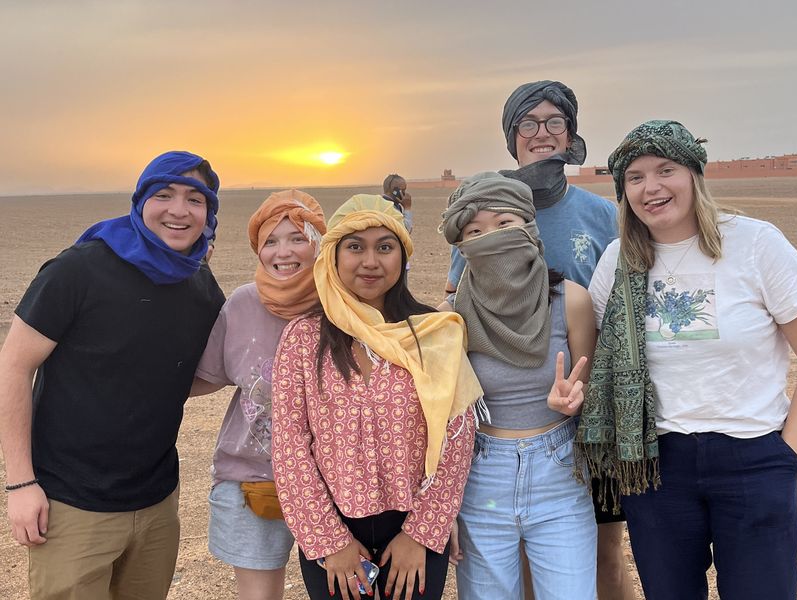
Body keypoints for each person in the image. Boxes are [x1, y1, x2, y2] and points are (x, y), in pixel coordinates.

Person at [577, 120, 797, 599]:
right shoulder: (618, 259)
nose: (650, 188)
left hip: (754, 455)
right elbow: (596, 358)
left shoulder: (755, 244)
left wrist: (790, 449)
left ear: (695, 175)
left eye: (665, 169)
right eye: (634, 177)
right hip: (656, 464)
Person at [0, 151, 225, 599]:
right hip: (70, 502)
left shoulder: (200, 283)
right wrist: (21, 484)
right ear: (141, 201)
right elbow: (14, 366)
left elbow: (210, 369)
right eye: (164, 194)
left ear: (209, 212)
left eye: (195, 200)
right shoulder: (78, 269)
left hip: (157, 502)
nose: (179, 210)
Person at [443, 80, 634, 600]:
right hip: (502, 438)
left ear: (571, 134)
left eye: (554, 122)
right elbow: (461, 305)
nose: (542, 133)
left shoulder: (600, 216)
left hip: (585, 421)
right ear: (513, 137)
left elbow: (620, 314)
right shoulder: (486, 211)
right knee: (522, 561)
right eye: (528, 123)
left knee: (603, 557)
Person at [271, 195, 482, 600]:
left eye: (385, 247)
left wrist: (420, 533)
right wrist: (329, 543)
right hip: (333, 535)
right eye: (355, 247)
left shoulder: (432, 334)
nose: (370, 261)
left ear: (402, 257)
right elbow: (290, 447)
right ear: (333, 257)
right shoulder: (303, 339)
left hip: (413, 531)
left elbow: (456, 437)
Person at [439, 173, 598, 599]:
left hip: (561, 474)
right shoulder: (451, 316)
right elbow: (444, 419)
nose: (490, 238)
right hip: (481, 479)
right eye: (474, 231)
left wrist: (573, 404)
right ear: (462, 244)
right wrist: (443, 506)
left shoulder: (573, 301)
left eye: (504, 223)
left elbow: (591, 396)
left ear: (529, 225)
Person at [191, 190, 326, 600]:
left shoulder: (342, 302)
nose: (283, 251)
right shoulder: (242, 303)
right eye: (271, 240)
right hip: (253, 480)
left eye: (297, 237)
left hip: (336, 483)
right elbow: (206, 377)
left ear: (320, 242)